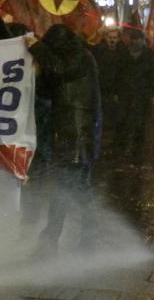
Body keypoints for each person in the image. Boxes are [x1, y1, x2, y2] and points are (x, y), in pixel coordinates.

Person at [25, 24, 101, 256]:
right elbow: (50, 89)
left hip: (77, 136)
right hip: (69, 136)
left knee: (67, 187)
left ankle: (51, 240)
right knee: (75, 189)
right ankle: (83, 239)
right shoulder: (73, 58)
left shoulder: (80, 57)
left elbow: (59, 70)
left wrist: (36, 47)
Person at [116, 28, 154, 161]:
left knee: (129, 120)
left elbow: (119, 72)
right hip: (136, 92)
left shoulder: (127, 52)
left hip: (134, 92)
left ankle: (126, 147)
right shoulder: (145, 53)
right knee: (133, 121)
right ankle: (132, 148)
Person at [89, 27, 128, 146]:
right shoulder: (99, 50)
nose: (112, 40)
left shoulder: (123, 52)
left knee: (116, 117)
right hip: (101, 88)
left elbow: (124, 72)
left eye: (114, 38)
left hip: (115, 91)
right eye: (110, 38)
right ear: (106, 38)